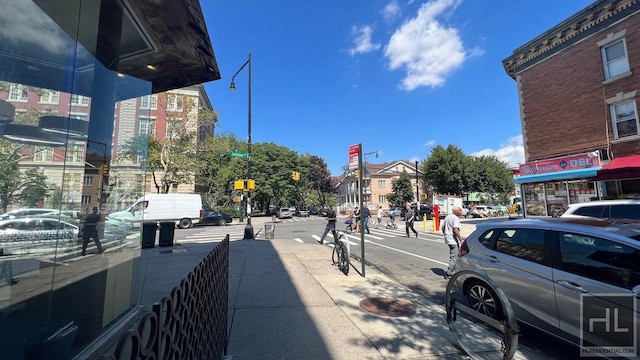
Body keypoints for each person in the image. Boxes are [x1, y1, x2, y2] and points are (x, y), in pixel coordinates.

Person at [441, 206, 465, 278]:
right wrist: (461, 240)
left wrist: (445, 234)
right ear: (456, 211)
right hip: (452, 239)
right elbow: (455, 229)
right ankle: (449, 272)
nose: (461, 212)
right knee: (454, 256)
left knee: (455, 254)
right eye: (460, 211)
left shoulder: (448, 217)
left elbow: (443, 227)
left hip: (448, 237)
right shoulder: (455, 218)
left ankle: (454, 270)